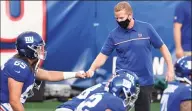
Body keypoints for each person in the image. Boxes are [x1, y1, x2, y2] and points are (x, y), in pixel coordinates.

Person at [85, 1, 174, 111]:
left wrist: (170, 68)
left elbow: (163, 48)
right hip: (121, 81)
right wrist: (92, 69)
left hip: (145, 81)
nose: (118, 21)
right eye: (116, 18)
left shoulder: (146, 28)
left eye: (121, 18)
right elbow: (102, 56)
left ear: (130, 15)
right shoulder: (113, 35)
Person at [0, 31, 86, 111]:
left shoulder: (25, 64)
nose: (40, 50)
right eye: (37, 48)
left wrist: (75, 74)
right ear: (29, 49)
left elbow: (49, 75)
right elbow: (14, 102)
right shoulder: (19, 67)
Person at [56, 69, 140, 111]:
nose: (132, 98)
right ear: (122, 89)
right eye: (131, 94)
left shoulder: (104, 88)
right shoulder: (115, 102)